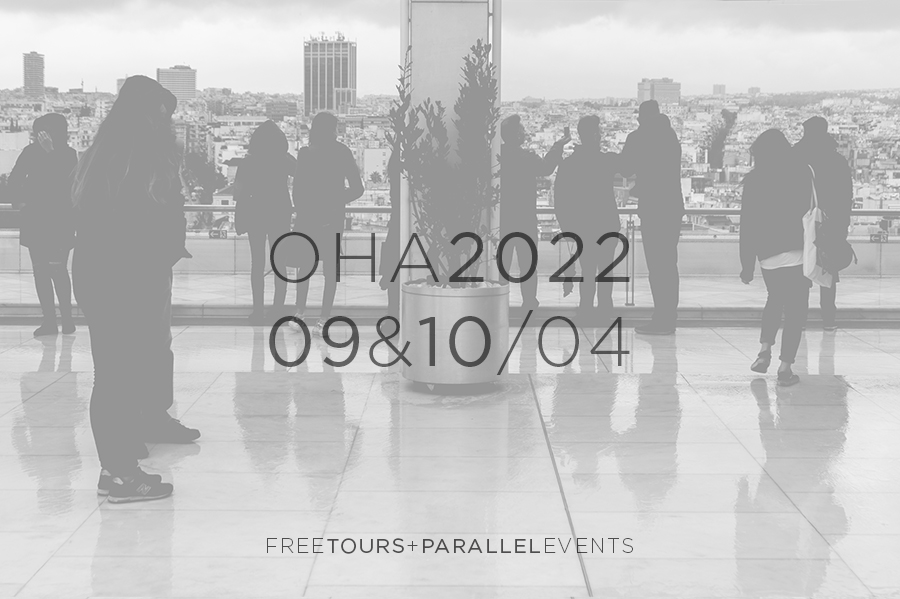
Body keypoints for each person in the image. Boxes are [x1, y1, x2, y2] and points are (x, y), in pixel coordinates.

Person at [71, 75, 199, 503]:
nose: (165, 119)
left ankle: (117, 468)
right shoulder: (138, 155)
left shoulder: (103, 151)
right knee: (119, 376)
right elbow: (147, 217)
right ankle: (123, 474)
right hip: (125, 275)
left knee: (113, 373)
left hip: (100, 272)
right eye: (160, 112)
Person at [739, 129, 813, 387]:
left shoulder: (754, 180)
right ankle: (785, 367)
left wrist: (747, 264)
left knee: (774, 299)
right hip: (797, 249)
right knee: (795, 311)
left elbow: (747, 224)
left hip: (767, 253)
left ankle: (764, 350)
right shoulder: (801, 172)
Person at [290, 111, 364, 336]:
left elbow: (297, 190)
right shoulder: (342, 152)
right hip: (332, 219)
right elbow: (358, 188)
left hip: (308, 218)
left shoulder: (305, 153)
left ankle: (299, 313)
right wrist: (336, 200)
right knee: (330, 271)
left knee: (304, 267)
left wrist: (303, 210)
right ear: (332, 129)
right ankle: (323, 319)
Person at [8, 113, 78, 337]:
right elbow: (14, 179)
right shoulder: (29, 152)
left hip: (59, 220)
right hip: (37, 219)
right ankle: (49, 320)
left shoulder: (68, 155)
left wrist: (50, 153)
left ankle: (67, 319)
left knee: (58, 269)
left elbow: (67, 182)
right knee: (40, 271)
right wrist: (21, 204)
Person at [620, 101, 684, 335]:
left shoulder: (638, 137)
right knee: (669, 265)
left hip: (652, 207)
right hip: (673, 207)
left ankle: (661, 319)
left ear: (641, 117)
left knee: (657, 267)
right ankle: (669, 318)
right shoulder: (671, 136)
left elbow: (625, 169)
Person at [554, 115, 623, 324]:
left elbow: (560, 198)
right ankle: (604, 311)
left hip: (582, 226)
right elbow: (629, 166)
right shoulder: (607, 161)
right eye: (599, 132)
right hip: (607, 224)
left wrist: (567, 227)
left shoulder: (569, 164)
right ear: (594, 135)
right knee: (605, 271)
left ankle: (586, 310)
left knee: (587, 270)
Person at [499, 114, 570, 309]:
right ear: (516, 135)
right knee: (528, 265)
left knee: (501, 265)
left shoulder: (496, 157)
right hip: (525, 219)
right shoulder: (526, 158)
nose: (525, 133)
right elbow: (546, 168)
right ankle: (529, 303)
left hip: (502, 220)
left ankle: (499, 304)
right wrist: (558, 146)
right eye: (522, 130)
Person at [233, 120, 297, 325]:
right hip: (280, 212)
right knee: (280, 263)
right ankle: (278, 310)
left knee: (257, 263)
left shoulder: (249, 162)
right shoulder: (284, 160)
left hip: (256, 213)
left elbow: (238, 193)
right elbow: (303, 174)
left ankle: (258, 311)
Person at [794, 116, 853, 331]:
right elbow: (846, 195)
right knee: (828, 269)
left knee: (801, 271)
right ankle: (829, 319)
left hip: (801, 221)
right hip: (831, 222)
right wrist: (842, 225)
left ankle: (798, 318)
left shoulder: (796, 157)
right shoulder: (836, 160)